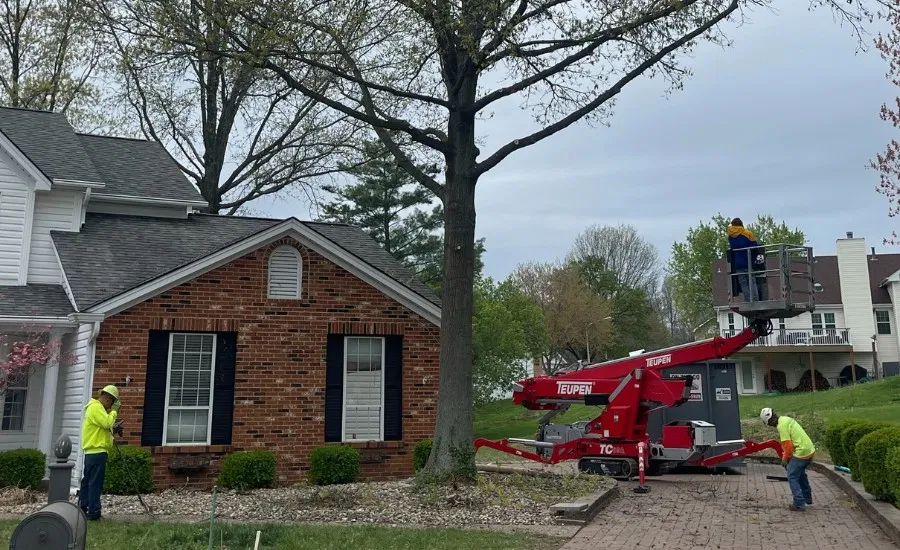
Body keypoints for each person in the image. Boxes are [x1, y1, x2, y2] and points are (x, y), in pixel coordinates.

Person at [79, 385, 121, 520]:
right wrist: (114, 412)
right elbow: (107, 423)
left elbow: (102, 428)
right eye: (111, 404)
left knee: (88, 482)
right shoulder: (96, 407)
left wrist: (114, 430)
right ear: (108, 400)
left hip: (92, 452)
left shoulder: (94, 408)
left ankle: (82, 508)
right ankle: (94, 513)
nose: (110, 407)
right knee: (95, 484)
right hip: (97, 451)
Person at [760, 407, 815, 511]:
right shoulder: (785, 419)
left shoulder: (781, 426)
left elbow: (788, 446)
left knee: (792, 475)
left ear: (771, 420)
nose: (771, 426)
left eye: (769, 423)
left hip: (801, 452)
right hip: (809, 449)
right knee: (800, 474)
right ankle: (807, 498)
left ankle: (799, 503)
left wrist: (785, 459)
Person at [727, 218, 767, 302]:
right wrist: (757, 255)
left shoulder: (730, 235)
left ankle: (747, 300)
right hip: (748, 261)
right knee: (752, 281)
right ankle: (755, 300)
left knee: (743, 283)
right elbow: (754, 247)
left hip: (737, 263)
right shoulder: (747, 233)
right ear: (741, 224)